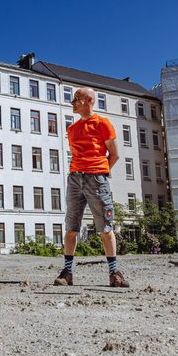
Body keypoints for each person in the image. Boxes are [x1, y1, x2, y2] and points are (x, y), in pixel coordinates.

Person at [54, 86, 130, 288]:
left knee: (105, 228)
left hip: (96, 179)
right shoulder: (71, 129)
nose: (72, 103)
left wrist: (100, 172)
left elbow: (114, 155)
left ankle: (114, 274)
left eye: (76, 99)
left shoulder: (103, 124)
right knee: (71, 228)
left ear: (89, 101)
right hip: (74, 179)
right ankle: (67, 273)